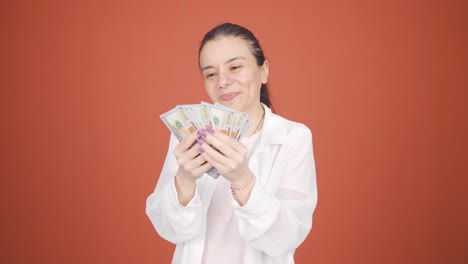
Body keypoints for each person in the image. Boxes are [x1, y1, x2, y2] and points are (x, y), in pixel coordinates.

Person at [146, 22, 318, 264]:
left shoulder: (293, 137)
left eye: (235, 67)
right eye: (211, 74)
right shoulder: (189, 134)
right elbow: (169, 229)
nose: (223, 81)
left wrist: (241, 178)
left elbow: (286, 237)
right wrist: (184, 180)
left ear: (264, 71)